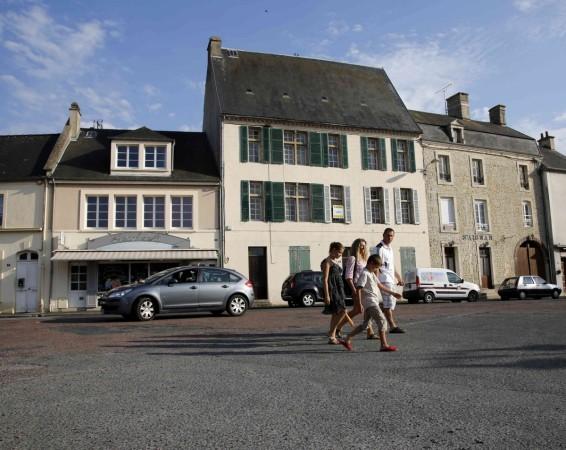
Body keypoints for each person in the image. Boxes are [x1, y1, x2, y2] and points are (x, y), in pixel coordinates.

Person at [339, 254, 401, 352]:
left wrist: (393, 293)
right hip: (370, 302)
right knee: (382, 320)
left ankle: (347, 338)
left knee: (365, 325)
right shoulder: (365, 273)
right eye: (376, 267)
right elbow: (359, 288)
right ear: (371, 263)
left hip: (372, 302)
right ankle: (384, 345)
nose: (376, 269)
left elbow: (380, 285)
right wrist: (359, 304)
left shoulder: (371, 273)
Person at [335, 238, 377, 340]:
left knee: (365, 309)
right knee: (358, 310)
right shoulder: (352, 258)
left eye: (364, 245)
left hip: (365, 288)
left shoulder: (365, 259)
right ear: (356, 247)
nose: (362, 247)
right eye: (360, 245)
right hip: (357, 287)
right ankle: (338, 327)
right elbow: (348, 276)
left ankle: (369, 332)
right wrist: (354, 290)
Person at [372, 228, 406, 333]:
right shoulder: (379, 248)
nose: (390, 237)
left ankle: (371, 322)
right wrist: (376, 281)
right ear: (383, 235)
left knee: (388, 305)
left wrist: (399, 277)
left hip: (391, 279)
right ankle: (392, 326)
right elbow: (376, 265)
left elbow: (392, 265)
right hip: (383, 279)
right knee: (388, 304)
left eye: (391, 236)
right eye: (388, 235)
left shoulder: (390, 248)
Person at [321, 242, 348, 344]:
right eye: (339, 252)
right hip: (333, 290)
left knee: (337, 313)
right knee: (342, 311)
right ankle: (331, 333)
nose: (340, 255)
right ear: (333, 249)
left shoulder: (334, 261)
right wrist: (327, 295)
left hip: (339, 289)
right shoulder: (327, 262)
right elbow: (325, 279)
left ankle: (332, 336)